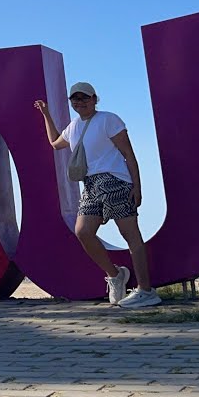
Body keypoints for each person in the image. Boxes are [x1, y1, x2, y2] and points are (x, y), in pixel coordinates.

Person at [34, 82, 160, 308]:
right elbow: (55, 143)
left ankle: (146, 290)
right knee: (83, 232)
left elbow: (128, 154)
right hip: (90, 185)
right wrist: (46, 114)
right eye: (75, 98)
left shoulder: (108, 119)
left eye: (85, 97)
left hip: (116, 181)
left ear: (95, 99)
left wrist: (137, 186)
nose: (80, 102)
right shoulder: (73, 127)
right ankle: (115, 275)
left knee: (130, 235)